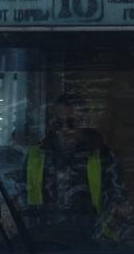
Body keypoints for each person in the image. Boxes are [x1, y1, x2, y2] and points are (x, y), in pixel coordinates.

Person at [23, 91, 128, 242]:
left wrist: (114, 217)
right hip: (42, 241)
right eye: (59, 123)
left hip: (92, 241)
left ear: (83, 122)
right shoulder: (35, 155)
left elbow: (116, 196)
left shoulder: (102, 155)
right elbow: (21, 195)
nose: (65, 129)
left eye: (71, 123)